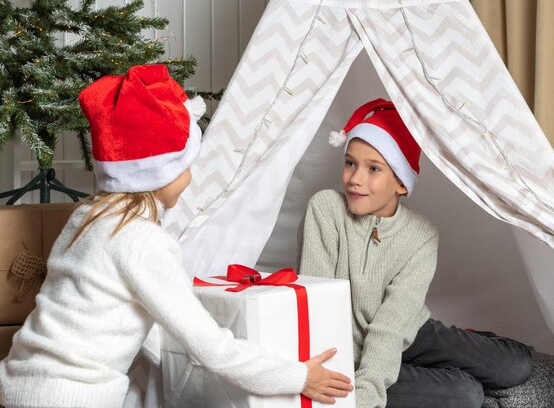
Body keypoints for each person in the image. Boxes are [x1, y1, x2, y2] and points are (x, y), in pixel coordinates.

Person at [0, 64, 353, 408]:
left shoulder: (86, 216)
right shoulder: (143, 241)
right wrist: (298, 377)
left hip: (16, 383)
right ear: (160, 172)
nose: (190, 176)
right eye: (186, 165)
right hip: (75, 399)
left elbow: (131, 322)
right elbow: (212, 347)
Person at [298, 98, 532, 408]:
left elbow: (391, 327)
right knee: (466, 395)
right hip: (349, 353)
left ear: (401, 183)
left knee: (516, 367)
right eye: (350, 162)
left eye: (374, 169)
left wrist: (365, 396)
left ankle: (470, 341)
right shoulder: (325, 209)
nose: (355, 178)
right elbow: (319, 311)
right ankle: (405, 371)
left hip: (407, 330)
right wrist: (362, 394)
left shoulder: (421, 235)